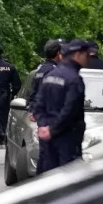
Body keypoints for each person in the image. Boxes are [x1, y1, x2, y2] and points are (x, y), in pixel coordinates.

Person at [33, 39, 90, 173]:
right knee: (67, 183)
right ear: (78, 55)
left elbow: (38, 105)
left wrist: (43, 127)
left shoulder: (50, 75)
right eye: (86, 55)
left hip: (47, 139)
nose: (88, 59)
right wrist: (53, 130)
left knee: (48, 180)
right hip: (66, 138)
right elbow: (70, 111)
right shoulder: (74, 79)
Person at [29, 39, 64, 175]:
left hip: (43, 117)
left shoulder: (40, 70)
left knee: (45, 153)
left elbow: (33, 93)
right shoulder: (54, 72)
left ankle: (42, 182)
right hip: (52, 116)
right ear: (58, 54)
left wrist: (33, 110)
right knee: (52, 154)